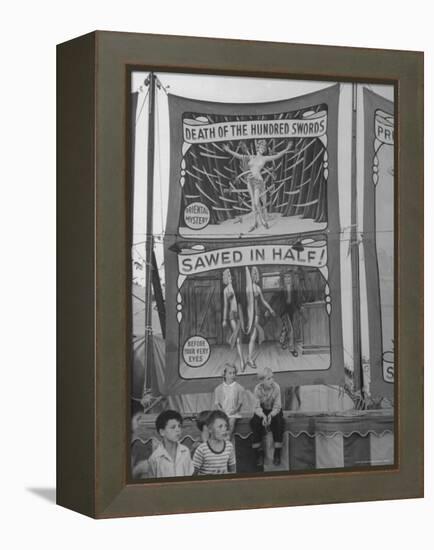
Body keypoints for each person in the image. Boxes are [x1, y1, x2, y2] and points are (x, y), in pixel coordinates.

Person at [224, 139, 292, 231]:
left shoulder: (264, 158)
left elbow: (277, 156)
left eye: (264, 148)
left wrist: (287, 148)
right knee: (253, 204)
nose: (262, 149)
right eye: (261, 147)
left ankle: (263, 221)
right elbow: (239, 156)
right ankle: (255, 223)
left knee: (257, 202)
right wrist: (228, 150)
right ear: (258, 147)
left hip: (258, 181)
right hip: (249, 181)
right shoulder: (251, 157)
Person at [250, 367, 284, 467]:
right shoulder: (257, 389)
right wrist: (263, 416)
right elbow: (256, 407)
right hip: (262, 410)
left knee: (278, 422)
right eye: (269, 379)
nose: (272, 380)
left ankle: (277, 451)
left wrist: (271, 415)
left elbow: (277, 406)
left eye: (272, 377)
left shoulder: (276, 387)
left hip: (274, 410)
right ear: (262, 381)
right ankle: (259, 452)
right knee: (255, 422)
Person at [148, 410, 194, 478]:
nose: (178, 430)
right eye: (173, 427)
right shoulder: (155, 458)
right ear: (162, 432)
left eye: (179, 426)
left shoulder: (185, 451)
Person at [246, 266, 275, 369]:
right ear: (250, 275)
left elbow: (263, 301)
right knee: (253, 336)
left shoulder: (257, 288)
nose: (254, 275)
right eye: (253, 273)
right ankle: (249, 359)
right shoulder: (248, 288)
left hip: (258, 313)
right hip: (251, 314)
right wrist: (250, 317)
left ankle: (249, 358)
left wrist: (270, 309)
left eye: (255, 273)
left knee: (254, 336)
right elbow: (249, 304)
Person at [193, 410, 236, 475]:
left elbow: (233, 471)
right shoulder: (200, 448)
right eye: (220, 426)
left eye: (225, 426)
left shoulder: (228, 446)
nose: (224, 429)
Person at [222, 268, 245, 371]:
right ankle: (242, 361)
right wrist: (224, 319)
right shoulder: (225, 290)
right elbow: (226, 306)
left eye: (231, 276)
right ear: (226, 278)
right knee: (239, 338)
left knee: (239, 337)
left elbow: (241, 302)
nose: (231, 278)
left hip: (239, 314)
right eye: (229, 276)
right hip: (232, 314)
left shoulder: (236, 288)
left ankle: (231, 338)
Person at [213, 363, 244, 438]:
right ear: (224, 374)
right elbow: (217, 403)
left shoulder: (239, 388)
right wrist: (221, 411)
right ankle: (220, 440)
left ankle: (227, 440)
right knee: (220, 423)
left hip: (233, 413)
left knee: (231, 422)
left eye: (234, 373)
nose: (232, 375)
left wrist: (235, 410)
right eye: (230, 373)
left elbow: (240, 403)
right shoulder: (218, 388)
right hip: (222, 412)